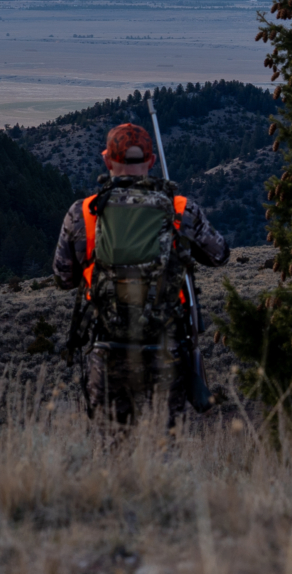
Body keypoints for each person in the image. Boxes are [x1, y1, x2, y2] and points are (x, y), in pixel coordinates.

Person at [53, 123, 229, 424]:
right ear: (151, 161)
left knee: (111, 447)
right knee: (163, 448)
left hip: (107, 349)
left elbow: (63, 278)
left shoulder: (82, 213)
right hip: (166, 352)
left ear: (108, 160)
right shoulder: (180, 208)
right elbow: (219, 255)